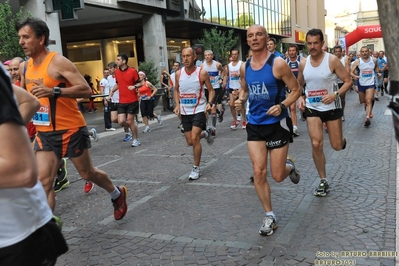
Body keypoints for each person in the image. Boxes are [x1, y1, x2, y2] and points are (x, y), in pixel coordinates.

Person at [16, 17, 128, 220]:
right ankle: (46, 229)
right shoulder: (26, 67)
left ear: (41, 39)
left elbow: (86, 90)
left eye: (26, 37)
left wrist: (54, 91)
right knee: (44, 182)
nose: (21, 42)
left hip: (71, 129)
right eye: (20, 37)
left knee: (88, 174)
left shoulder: (57, 62)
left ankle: (117, 194)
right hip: (45, 132)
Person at [234, 25, 301, 236]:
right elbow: (245, 88)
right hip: (255, 124)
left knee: (278, 175)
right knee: (258, 172)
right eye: (250, 36)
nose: (254, 39)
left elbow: (297, 89)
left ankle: (289, 167)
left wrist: (282, 106)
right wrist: (241, 99)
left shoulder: (278, 64)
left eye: (258, 35)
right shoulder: (245, 66)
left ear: (266, 38)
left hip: (277, 125)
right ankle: (270, 216)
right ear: (248, 41)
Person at [0, 64, 68, 265]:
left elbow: (20, 171)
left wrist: (10, 140)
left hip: (16, 240)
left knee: (86, 171)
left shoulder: (56, 63)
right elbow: (30, 101)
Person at [297, 28, 352, 197]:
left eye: (316, 43)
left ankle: (341, 140)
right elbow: (298, 85)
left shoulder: (332, 60)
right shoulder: (303, 63)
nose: (312, 46)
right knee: (316, 143)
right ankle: (323, 180)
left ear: (322, 44)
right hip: (313, 108)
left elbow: (348, 81)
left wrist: (334, 94)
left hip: (332, 107)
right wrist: (300, 97)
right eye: (309, 43)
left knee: (336, 146)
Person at [173, 46, 215, 180]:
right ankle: (207, 133)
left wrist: (209, 103)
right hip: (185, 112)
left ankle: (196, 168)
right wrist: (177, 105)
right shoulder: (179, 74)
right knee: (189, 141)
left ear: (194, 57)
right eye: (183, 56)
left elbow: (211, 90)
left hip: (199, 109)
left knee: (195, 138)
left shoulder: (201, 73)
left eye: (188, 56)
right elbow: (176, 90)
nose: (185, 59)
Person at [108, 53, 141, 147]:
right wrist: (112, 91)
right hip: (122, 101)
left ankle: (136, 139)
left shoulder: (132, 71)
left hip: (132, 100)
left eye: (118, 60)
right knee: (121, 121)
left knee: (130, 120)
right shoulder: (117, 72)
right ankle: (133, 127)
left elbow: (140, 83)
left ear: (124, 61)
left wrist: (134, 86)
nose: (116, 61)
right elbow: (118, 84)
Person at [351, 46, 381, 127]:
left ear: (369, 52)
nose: (364, 53)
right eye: (363, 51)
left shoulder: (374, 60)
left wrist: (378, 72)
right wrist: (354, 76)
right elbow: (351, 72)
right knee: (362, 100)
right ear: (360, 53)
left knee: (369, 100)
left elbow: (377, 68)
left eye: (366, 51)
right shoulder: (357, 61)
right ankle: (366, 105)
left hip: (370, 83)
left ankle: (367, 117)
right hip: (361, 83)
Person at [200, 50, 225, 130]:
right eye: (206, 55)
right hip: (206, 88)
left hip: (216, 87)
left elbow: (223, 71)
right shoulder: (202, 66)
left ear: (212, 56)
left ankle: (213, 128)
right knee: (209, 108)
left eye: (209, 55)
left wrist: (221, 78)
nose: (207, 56)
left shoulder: (217, 64)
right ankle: (219, 112)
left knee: (213, 106)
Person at [223, 48, 247, 129]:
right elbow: (226, 75)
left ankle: (244, 121)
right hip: (232, 87)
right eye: (232, 54)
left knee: (241, 104)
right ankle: (235, 120)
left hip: (240, 87)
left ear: (238, 54)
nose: (234, 56)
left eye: (235, 54)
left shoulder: (242, 64)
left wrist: (239, 75)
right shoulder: (229, 66)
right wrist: (224, 82)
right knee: (231, 104)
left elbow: (245, 75)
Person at [286, 44, 305, 136]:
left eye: (293, 50)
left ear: (296, 51)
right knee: (292, 107)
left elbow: (306, 73)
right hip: (291, 87)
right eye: (290, 51)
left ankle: (303, 113)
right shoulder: (285, 62)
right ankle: (294, 127)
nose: (292, 52)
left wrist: (301, 83)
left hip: (302, 86)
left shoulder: (301, 61)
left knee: (302, 106)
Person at [333, 45, 350, 121]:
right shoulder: (331, 59)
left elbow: (347, 70)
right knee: (335, 97)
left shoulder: (345, 59)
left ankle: (342, 112)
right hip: (334, 83)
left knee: (342, 98)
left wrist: (345, 76)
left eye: (339, 51)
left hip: (342, 82)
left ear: (341, 52)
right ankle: (335, 113)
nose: (337, 53)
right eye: (336, 52)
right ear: (334, 52)